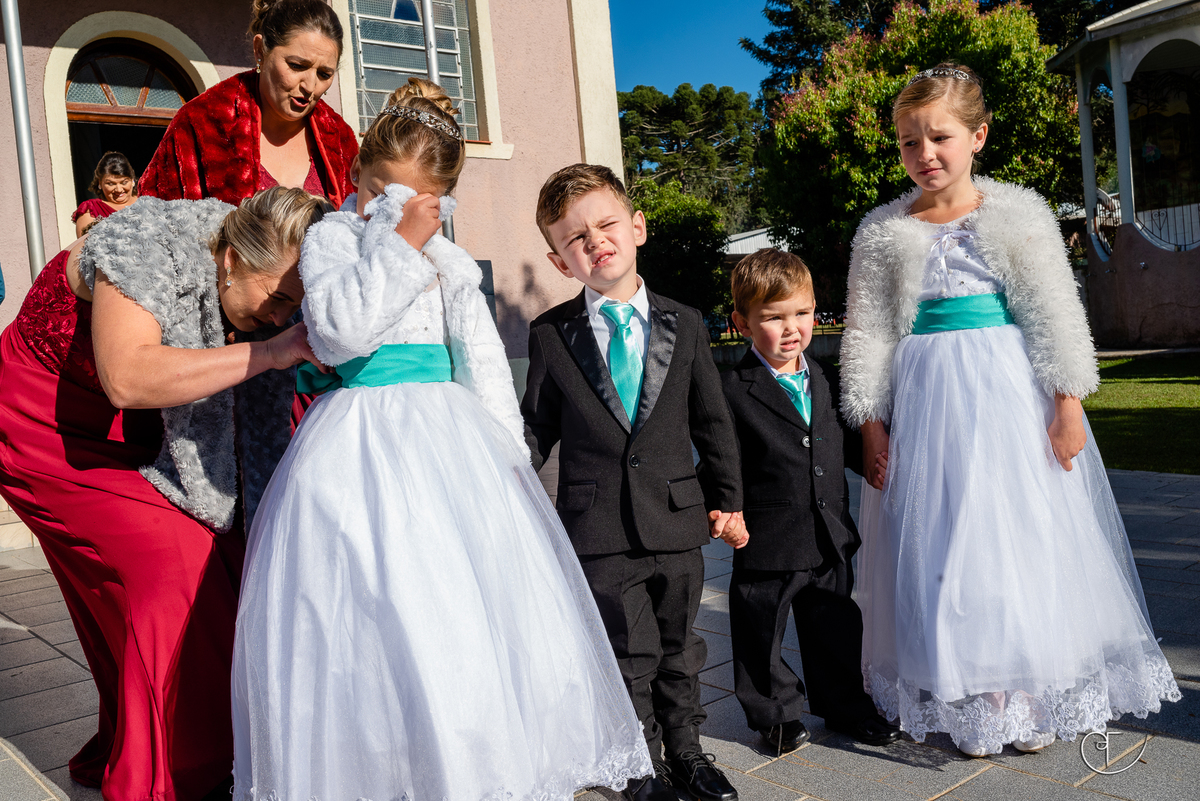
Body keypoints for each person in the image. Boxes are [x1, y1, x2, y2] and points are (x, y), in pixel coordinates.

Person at [231, 79, 653, 801]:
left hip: (445, 438)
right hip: (358, 440)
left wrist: (507, 464)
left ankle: (471, 767)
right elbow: (335, 333)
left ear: (441, 200)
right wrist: (398, 244)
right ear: (359, 179)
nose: (389, 209)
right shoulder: (334, 239)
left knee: (456, 611)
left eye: (412, 201)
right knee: (375, 605)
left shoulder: (452, 264)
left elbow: (481, 360)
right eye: (378, 191)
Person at [841, 63, 1181, 758]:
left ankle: (1027, 683)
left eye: (939, 137)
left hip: (1003, 390)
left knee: (1013, 535)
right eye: (908, 142)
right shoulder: (881, 231)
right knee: (943, 543)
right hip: (927, 399)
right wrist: (872, 421)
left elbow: (1052, 308)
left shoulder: (1016, 214)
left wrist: (1067, 402)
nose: (924, 154)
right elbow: (868, 332)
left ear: (978, 136)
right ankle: (975, 691)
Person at [0, 186, 330, 801]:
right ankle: (169, 779)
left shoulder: (246, 282)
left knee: (237, 561)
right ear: (230, 257)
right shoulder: (147, 242)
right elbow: (126, 378)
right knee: (176, 567)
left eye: (295, 308)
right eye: (279, 298)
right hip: (41, 425)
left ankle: (215, 748)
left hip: (134, 434)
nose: (283, 316)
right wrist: (269, 352)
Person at [523, 164, 746, 801]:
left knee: (680, 646)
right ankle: (640, 765)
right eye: (575, 239)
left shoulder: (686, 321)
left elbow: (711, 419)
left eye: (606, 225)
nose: (595, 242)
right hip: (597, 525)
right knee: (627, 652)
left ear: (637, 226)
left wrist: (728, 500)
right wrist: (506, 488)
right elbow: (536, 426)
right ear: (560, 261)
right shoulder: (550, 334)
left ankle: (689, 755)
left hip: (676, 514)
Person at [720, 248, 902, 754]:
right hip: (767, 537)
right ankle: (773, 715)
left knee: (836, 624)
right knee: (761, 629)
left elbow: (838, 441)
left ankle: (846, 705)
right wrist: (723, 507)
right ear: (741, 323)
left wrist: (871, 460)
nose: (791, 327)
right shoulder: (732, 390)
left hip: (829, 532)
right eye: (773, 317)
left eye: (801, 313)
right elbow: (722, 457)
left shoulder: (824, 377)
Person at [139, 0, 358, 208]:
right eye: (297, 66)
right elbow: (155, 224)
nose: (310, 86)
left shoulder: (340, 140)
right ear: (260, 50)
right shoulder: (201, 122)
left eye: (324, 74)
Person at [72, 151, 138, 236]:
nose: (119, 189)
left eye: (124, 182)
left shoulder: (148, 201)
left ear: (132, 180)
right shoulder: (91, 209)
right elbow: (84, 247)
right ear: (100, 183)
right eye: (110, 184)